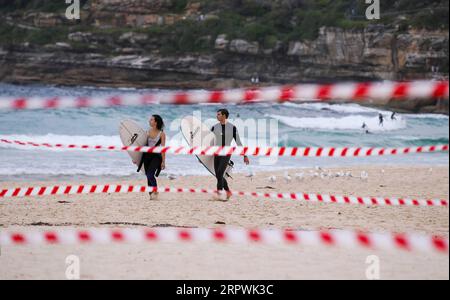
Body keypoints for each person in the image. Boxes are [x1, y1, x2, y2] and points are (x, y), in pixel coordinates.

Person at [211, 109, 250, 200]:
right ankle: (228, 191)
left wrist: (244, 155)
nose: (217, 116)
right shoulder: (214, 127)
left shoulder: (232, 127)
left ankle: (219, 194)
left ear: (224, 116)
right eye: (217, 114)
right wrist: (202, 156)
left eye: (219, 114)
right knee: (218, 175)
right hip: (216, 153)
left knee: (220, 173)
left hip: (226, 153)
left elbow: (238, 142)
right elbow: (209, 141)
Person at [137, 115, 166, 200]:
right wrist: (135, 158)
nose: (149, 121)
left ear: (156, 122)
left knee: (150, 174)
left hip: (156, 157)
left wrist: (163, 161)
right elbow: (141, 145)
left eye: (151, 120)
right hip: (147, 156)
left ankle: (155, 190)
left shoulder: (162, 134)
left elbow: (163, 149)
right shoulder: (147, 132)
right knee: (148, 176)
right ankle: (151, 195)